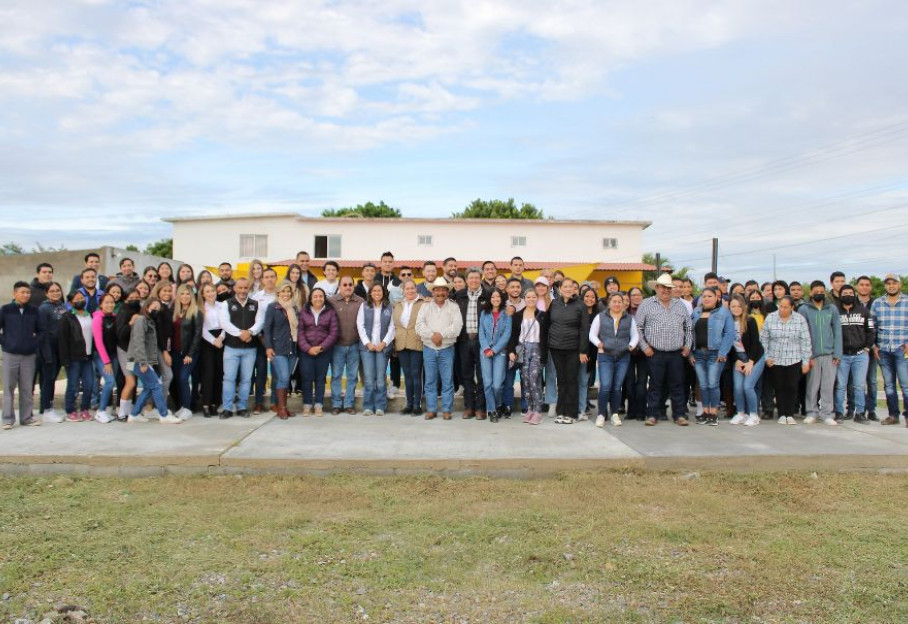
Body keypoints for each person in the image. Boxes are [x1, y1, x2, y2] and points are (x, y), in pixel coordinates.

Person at [635, 273, 692, 426]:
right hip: (655, 352)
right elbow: (638, 327)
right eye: (662, 287)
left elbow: (688, 328)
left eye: (668, 288)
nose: (665, 290)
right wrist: (645, 347)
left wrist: (687, 346)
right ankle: (652, 415)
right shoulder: (646, 304)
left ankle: (679, 415)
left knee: (677, 385)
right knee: (655, 385)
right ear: (657, 288)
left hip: (676, 353)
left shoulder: (680, 305)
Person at [126, 298, 182, 423]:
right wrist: (143, 362)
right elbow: (138, 342)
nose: (156, 310)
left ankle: (134, 415)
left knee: (148, 387)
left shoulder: (151, 322)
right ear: (147, 308)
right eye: (153, 307)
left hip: (141, 360)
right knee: (156, 385)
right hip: (136, 360)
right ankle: (164, 415)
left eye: (158, 308)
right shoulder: (141, 320)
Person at [415, 278, 463, 420]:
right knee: (430, 380)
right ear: (433, 291)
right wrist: (432, 336)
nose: (440, 292)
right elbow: (419, 326)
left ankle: (447, 410)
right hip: (429, 348)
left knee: (447, 380)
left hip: (447, 348)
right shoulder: (425, 307)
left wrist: (441, 335)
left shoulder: (454, 307)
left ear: (448, 292)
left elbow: (457, 327)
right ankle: (431, 409)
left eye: (443, 289)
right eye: (437, 289)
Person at [217, 277, 265, 418]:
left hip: (250, 349)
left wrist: (250, 332)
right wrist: (240, 334)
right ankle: (227, 407)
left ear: (249, 289)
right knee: (229, 378)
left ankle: (242, 407)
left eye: (245, 288)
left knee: (246, 379)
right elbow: (224, 323)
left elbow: (260, 322)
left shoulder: (255, 304)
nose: (243, 291)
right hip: (231, 348)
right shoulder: (226, 304)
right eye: (240, 288)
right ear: (235, 289)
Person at [760, 296, 812, 425]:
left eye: (785, 307)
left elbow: (806, 341)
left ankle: (790, 413)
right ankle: (782, 413)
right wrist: (766, 357)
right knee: (779, 386)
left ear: (792, 307)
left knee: (792, 386)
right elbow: (764, 339)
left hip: (794, 358)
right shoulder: (771, 317)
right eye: (780, 306)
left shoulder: (800, 319)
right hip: (775, 358)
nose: (782, 309)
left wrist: (806, 361)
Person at [590, 292, 638, 427]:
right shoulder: (600, 317)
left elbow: (635, 336)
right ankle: (601, 414)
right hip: (606, 356)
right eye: (614, 301)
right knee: (605, 386)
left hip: (623, 357)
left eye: (619, 301)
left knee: (617, 387)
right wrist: (599, 344)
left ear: (623, 304)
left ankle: (615, 414)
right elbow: (592, 334)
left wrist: (631, 346)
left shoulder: (629, 318)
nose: (617, 304)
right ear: (609, 303)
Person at [1, 282, 45, 429]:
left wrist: (33, 343)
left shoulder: (34, 310)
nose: (25, 295)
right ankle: (7, 419)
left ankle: (27, 418)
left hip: (29, 355)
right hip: (10, 354)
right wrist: (5, 343)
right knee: (8, 387)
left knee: (26, 388)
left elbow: (41, 331)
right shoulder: (6, 310)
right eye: (22, 292)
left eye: (28, 292)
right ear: (14, 293)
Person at [798, 280, 842, 426]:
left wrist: (837, 353)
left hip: (829, 354)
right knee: (812, 385)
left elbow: (837, 331)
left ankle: (827, 413)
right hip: (812, 355)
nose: (819, 293)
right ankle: (811, 412)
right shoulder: (804, 309)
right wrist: (807, 355)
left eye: (821, 291)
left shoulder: (832, 309)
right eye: (816, 291)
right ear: (810, 293)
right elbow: (802, 333)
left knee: (828, 385)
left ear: (825, 292)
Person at [547, 277, 590, 424]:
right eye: (564, 286)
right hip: (556, 348)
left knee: (572, 380)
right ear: (560, 288)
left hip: (573, 349)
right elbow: (548, 323)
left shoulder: (580, 305)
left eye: (570, 287)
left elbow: (585, 330)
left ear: (574, 289)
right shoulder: (554, 304)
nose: (567, 289)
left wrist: (583, 351)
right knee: (562, 380)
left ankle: (571, 414)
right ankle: (561, 412)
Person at [689, 287, 735, 426]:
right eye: (704, 296)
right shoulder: (696, 312)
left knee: (713, 384)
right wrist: (690, 353)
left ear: (717, 298)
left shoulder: (724, 312)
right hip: (698, 354)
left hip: (715, 354)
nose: (707, 298)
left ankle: (713, 413)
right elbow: (689, 333)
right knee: (702, 385)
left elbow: (729, 333)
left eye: (710, 296)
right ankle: (705, 411)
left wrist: (723, 352)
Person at [870, 273, 908, 425]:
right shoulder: (878, 303)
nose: (891, 286)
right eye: (888, 283)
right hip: (883, 350)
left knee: (905, 383)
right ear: (885, 285)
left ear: (899, 285)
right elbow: (871, 326)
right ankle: (893, 415)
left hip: (902, 349)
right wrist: (873, 346)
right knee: (889, 384)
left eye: (894, 283)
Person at [835, 284, 874, 423]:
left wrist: (868, 347)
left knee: (859, 385)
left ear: (854, 294)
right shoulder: (835, 312)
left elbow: (871, 330)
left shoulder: (863, 311)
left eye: (851, 292)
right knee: (840, 385)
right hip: (842, 355)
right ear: (840, 295)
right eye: (845, 292)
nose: (848, 295)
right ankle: (839, 413)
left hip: (860, 355)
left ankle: (860, 413)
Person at [508, 288, 548, 425]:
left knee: (534, 378)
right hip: (523, 349)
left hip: (537, 349)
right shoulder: (518, 315)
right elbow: (513, 335)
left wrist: (545, 355)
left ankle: (538, 411)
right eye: (528, 297)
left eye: (533, 297)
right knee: (525, 380)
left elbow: (546, 337)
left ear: (537, 298)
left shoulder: (543, 315)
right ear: (524, 299)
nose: (531, 299)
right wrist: (511, 351)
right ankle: (530, 409)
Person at [454, 269, 489, 419]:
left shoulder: (487, 295)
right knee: (466, 375)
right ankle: (469, 406)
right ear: (466, 280)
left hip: (482, 341)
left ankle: (481, 408)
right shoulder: (459, 295)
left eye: (476, 278)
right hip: (464, 340)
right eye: (471, 278)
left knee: (482, 375)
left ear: (480, 279)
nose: (474, 280)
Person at [297, 287, 339, 416]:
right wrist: (308, 348)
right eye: (315, 296)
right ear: (310, 298)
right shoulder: (304, 313)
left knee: (320, 379)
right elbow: (300, 333)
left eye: (321, 296)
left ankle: (319, 405)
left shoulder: (330, 313)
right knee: (307, 378)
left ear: (324, 298)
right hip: (306, 352)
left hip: (324, 352)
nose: (318, 299)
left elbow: (333, 333)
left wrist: (321, 348)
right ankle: (307, 405)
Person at [357, 283, 395, 416]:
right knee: (368, 378)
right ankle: (368, 406)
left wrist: (383, 343)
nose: (377, 293)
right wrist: (368, 343)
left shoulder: (389, 307)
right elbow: (360, 325)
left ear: (383, 292)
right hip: (367, 348)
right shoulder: (364, 306)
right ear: (370, 293)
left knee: (380, 378)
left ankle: (380, 406)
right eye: (374, 291)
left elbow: (392, 327)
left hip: (382, 348)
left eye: (379, 290)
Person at [263, 280, 299, 420]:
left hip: (292, 348)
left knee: (286, 378)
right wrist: (268, 347)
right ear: (278, 293)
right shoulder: (273, 307)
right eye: (283, 291)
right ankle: (281, 408)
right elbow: (267, 328)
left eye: (288, 291)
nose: (286, 294)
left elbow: (297, 328)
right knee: (283, 377)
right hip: (278, 349)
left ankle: (283, 407)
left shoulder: (294, 308)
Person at [328, 275, 364, 414]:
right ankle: (336, 404)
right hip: (337, 346)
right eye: (345, 285)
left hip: (354, 345)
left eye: (350, 284)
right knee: (336, 375)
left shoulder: (361, 302)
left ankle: (349, 404)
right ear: (339, 287)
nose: (348, 287)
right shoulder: (331, 302)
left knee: (352, 376)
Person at [728, 294, 764, 427]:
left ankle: (754, 415)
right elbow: (729, 345)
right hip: (739, 357)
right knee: (737, 387)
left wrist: (751, 362)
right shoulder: (728, 323)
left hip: (755, 357)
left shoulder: (750, 321)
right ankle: (741, 413)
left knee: (748, 386)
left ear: (744, 307)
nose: (736, 308)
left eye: (739, 306)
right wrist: (736, 360)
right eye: (733, 306)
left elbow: (755, 343)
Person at [58, 290, 94, 422]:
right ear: (70, 302)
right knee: (73, 385)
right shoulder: (67, 317)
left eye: (82, 298)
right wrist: (65, 359)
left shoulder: (89, 315)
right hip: (73, 357)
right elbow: (62, 340)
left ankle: (85, 409)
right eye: (77, 298)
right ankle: (70, 410)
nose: (80, 300)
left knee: (89, 384)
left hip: (88, 356)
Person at [169, 284, 203, 420]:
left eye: (187, 294)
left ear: (192, 296)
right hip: (175, 352)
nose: (185, 296)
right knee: (177, 379)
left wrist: (190, 353)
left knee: (183, 378)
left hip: (190, 353)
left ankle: (188, 408)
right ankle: (182, 406)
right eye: (182, 294)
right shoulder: (174, 311)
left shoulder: (196, 312)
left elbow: (197, 334)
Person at [478, 288, 512, 423]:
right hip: (485, 352)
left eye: (498, 297)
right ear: (489, 299)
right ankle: (492, 410)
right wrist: (486, 348)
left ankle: (498, 405)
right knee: (487, 383)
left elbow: (507, 335)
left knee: (497, 385)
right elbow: (481, 332)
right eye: (493, 297)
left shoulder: (507, 314)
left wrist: (495, 349)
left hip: (500, 352)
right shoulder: (484, 313)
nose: (495, 299)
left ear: (501, 299)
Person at [393, 278, 425, 415]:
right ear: (403, 290)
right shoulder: (398, 305)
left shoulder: (423, 303)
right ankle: (409, 404)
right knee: (407, 375)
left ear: (416, 289)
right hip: (401, 343)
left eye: (412, 288)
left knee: (416, 374)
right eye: (407, 288)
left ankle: (417, 405)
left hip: (417, 342)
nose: (410, 290)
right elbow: (395, 325)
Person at [36, 282, 67, 422]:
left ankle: (48, 408)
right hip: (48, 348)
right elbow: (42, 332)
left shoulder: (62, 306)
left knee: (52, 378)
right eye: (52, 291)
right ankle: (47, 410)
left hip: (60, 348)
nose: (55, 293)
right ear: (47, 293)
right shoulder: (43, 308)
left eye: (58, 290)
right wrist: (46, 352)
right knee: (48, 379)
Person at [250, 268, 278, 413]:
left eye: (272, 277)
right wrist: (260, 337)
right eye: (266, 277)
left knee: (276, 373)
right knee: (260, 372)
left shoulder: (281, 295)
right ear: (262, 280)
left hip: (277, 340)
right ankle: (258, 402)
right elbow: (256, 320)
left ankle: (274, 402)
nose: (269, 279)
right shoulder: (256, 297)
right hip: (260, 339)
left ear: (276, 278)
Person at [91, 293, 119, 423]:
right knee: (109, 381)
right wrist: (106, 361)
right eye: (106, 302)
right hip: (101, 356)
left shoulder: (115, 317)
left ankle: (106, 410)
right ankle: (100, 411)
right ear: (101, 304)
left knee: (113, 382)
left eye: (112, 302)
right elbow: (98, 342)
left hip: (114, 355)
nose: (110, 305)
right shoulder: (97, 319)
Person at [114, 289, 141, 420]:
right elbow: (120, 334)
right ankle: (121, 412)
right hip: (125, 351)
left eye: (137, 297)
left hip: (133, 351)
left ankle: (128, 409)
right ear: (126, 299)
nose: (135, 299)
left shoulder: (137, 310)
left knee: (133, 380)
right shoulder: (124, 312)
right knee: (130, 381)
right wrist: (131, 323)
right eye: (132, 297)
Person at [198, 283, 224, 417]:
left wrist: (221, 338)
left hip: (221, 339)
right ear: (203, 294)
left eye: (212, 291)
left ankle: (215, 403)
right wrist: (213, 340)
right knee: (208, 374)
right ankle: (206, 404)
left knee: (219, 373)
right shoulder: (201, 308)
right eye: (207, 291)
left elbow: (226, 323)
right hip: (207, 341)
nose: (210, 293)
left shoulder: (222, 305)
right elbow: (201, 328)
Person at [855, 275, 878, 421]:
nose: (864, 287)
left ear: (871, 287)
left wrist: (873, 345)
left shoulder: (876, 303)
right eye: (862, 284)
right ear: (857, 286)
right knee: (858, 382)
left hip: (873, 348)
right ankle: (859, 409)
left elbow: (876, 327)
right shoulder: (851, 302)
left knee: (872, 380)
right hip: (857, 349)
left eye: (867, 284)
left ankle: (872, 409)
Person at [624, 286, 648, 421]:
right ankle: (631, 411)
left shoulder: (647, 311)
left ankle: (641, 412)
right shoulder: (624, 312)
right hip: (628, 352)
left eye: (639, 295)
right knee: (629, 382)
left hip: (644, 352)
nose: (636, 297)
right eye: (633, 295)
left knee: (642, 382)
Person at [578, 286, 599, 418]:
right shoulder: (577, 312)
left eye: (592, 297)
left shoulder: (599, 315)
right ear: (582, 297)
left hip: (592, 352)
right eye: (587, 296)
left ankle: (583, 405)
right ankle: (578, 405)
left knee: (585, 381)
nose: (589, 299)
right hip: (578, 351)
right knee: (576, 380)